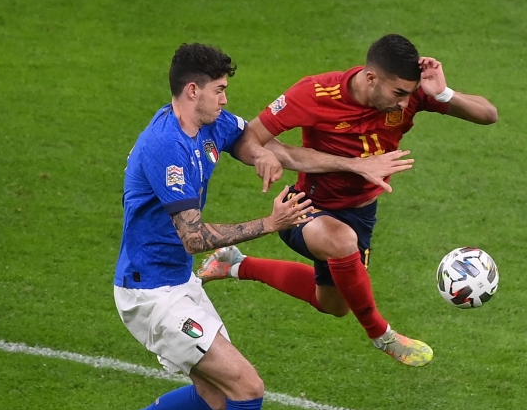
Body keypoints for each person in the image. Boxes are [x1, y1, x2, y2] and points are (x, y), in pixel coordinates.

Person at [86, 43, 407, 410]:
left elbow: (263, 146)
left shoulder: (210, 122)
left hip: (177, 284)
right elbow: (193, 238)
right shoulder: (165, 147)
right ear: (193, 91)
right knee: (247, 387)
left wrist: (277, 158)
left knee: (217, 397)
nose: (225, 98)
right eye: (219, 90)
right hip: (149, 293)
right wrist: (271, 222)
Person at [197, 34, 498, 367]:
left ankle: (234, 264)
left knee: (335, 304)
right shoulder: (313, 93)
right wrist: (269, 157)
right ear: (371, 78)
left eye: (409, 95)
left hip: (361, 213)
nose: (403, 104)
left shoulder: (411, 94)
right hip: (306, 206)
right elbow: (250, 138)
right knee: (342, 242)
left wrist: (442, 93)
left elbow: (488, 114)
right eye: (398, 94)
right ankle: (382, 336)